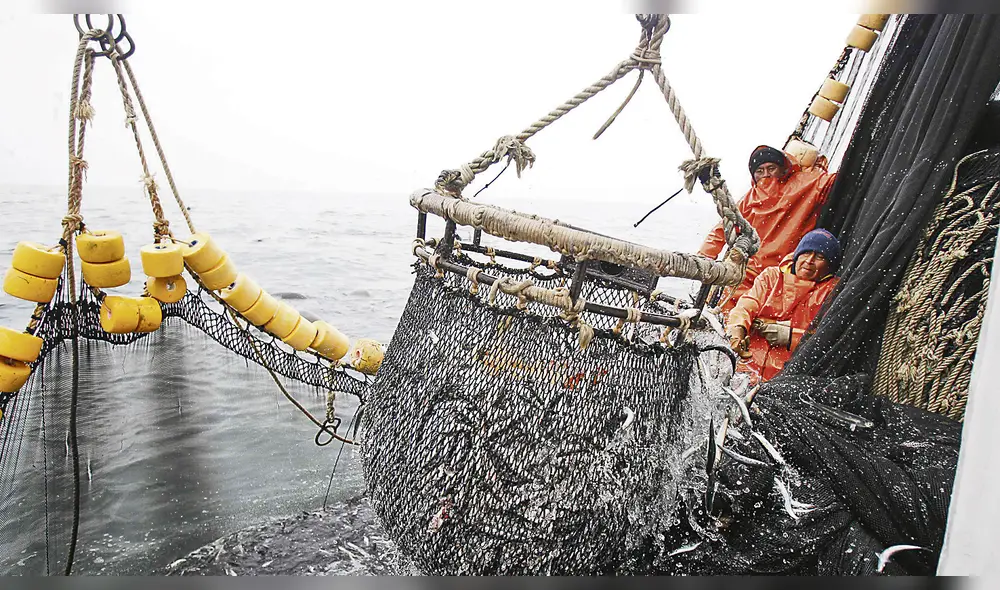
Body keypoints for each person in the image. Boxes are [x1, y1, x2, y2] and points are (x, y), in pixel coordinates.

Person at [699, 145, 837, 311]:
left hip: (786, 272)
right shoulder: (749, 199)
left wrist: (818, 165)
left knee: (758, 315)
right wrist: (702, 261)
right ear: (753, 175)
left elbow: (835, 181)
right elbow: (721, 230)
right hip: (750, 271)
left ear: (783, 169)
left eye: (771, 168)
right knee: (730, 310)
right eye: (760, 170)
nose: (766, 175)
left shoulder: (806, 183)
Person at [726, 229, 842, 382]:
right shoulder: (771, 276)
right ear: (797, 255)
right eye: (806, 253)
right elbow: (746, 306)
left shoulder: (833, 292)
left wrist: (789, 337)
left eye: (819, 257)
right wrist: (737, 329)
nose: (809, 261)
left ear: (830, 266)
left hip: (788, 378)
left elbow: (830, 339)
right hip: (745, 370)